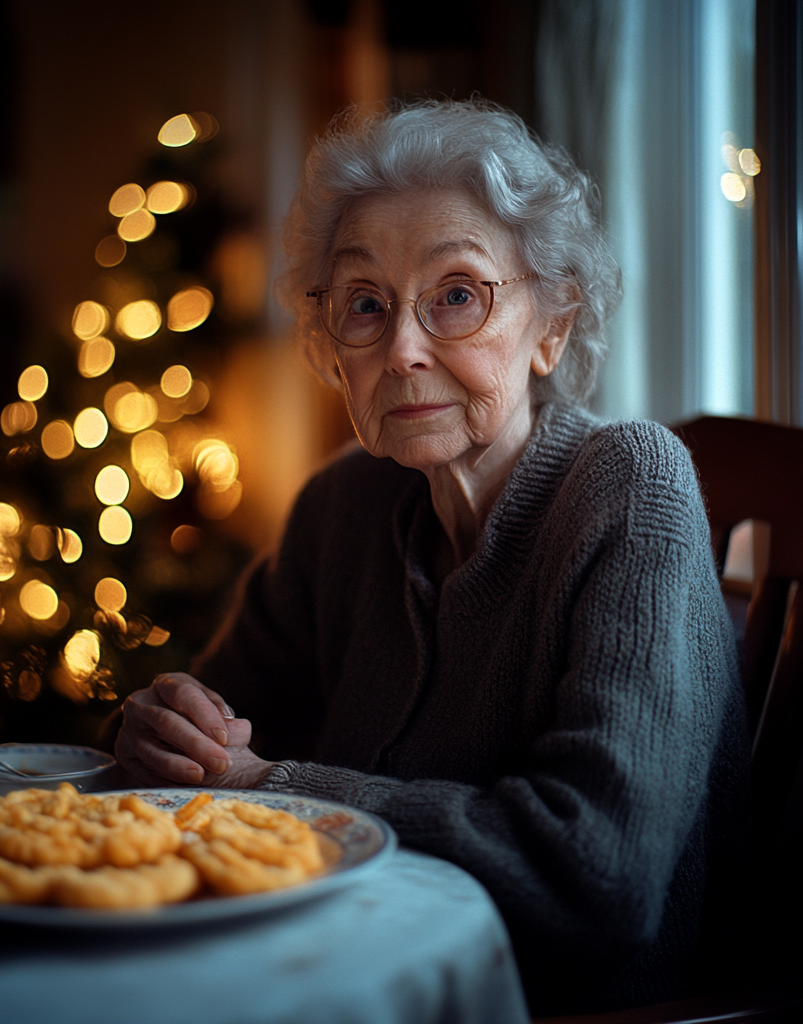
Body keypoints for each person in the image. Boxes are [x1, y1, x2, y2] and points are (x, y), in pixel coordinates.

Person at [114, 100, 749, 1015]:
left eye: (458, 293)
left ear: (553, 326)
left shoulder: (629, 487)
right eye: (365, 305)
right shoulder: (343, 505)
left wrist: (277, 789)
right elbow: (215, 729)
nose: (404, 349)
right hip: (338, 978)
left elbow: (594, 877)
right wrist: (165, 729)